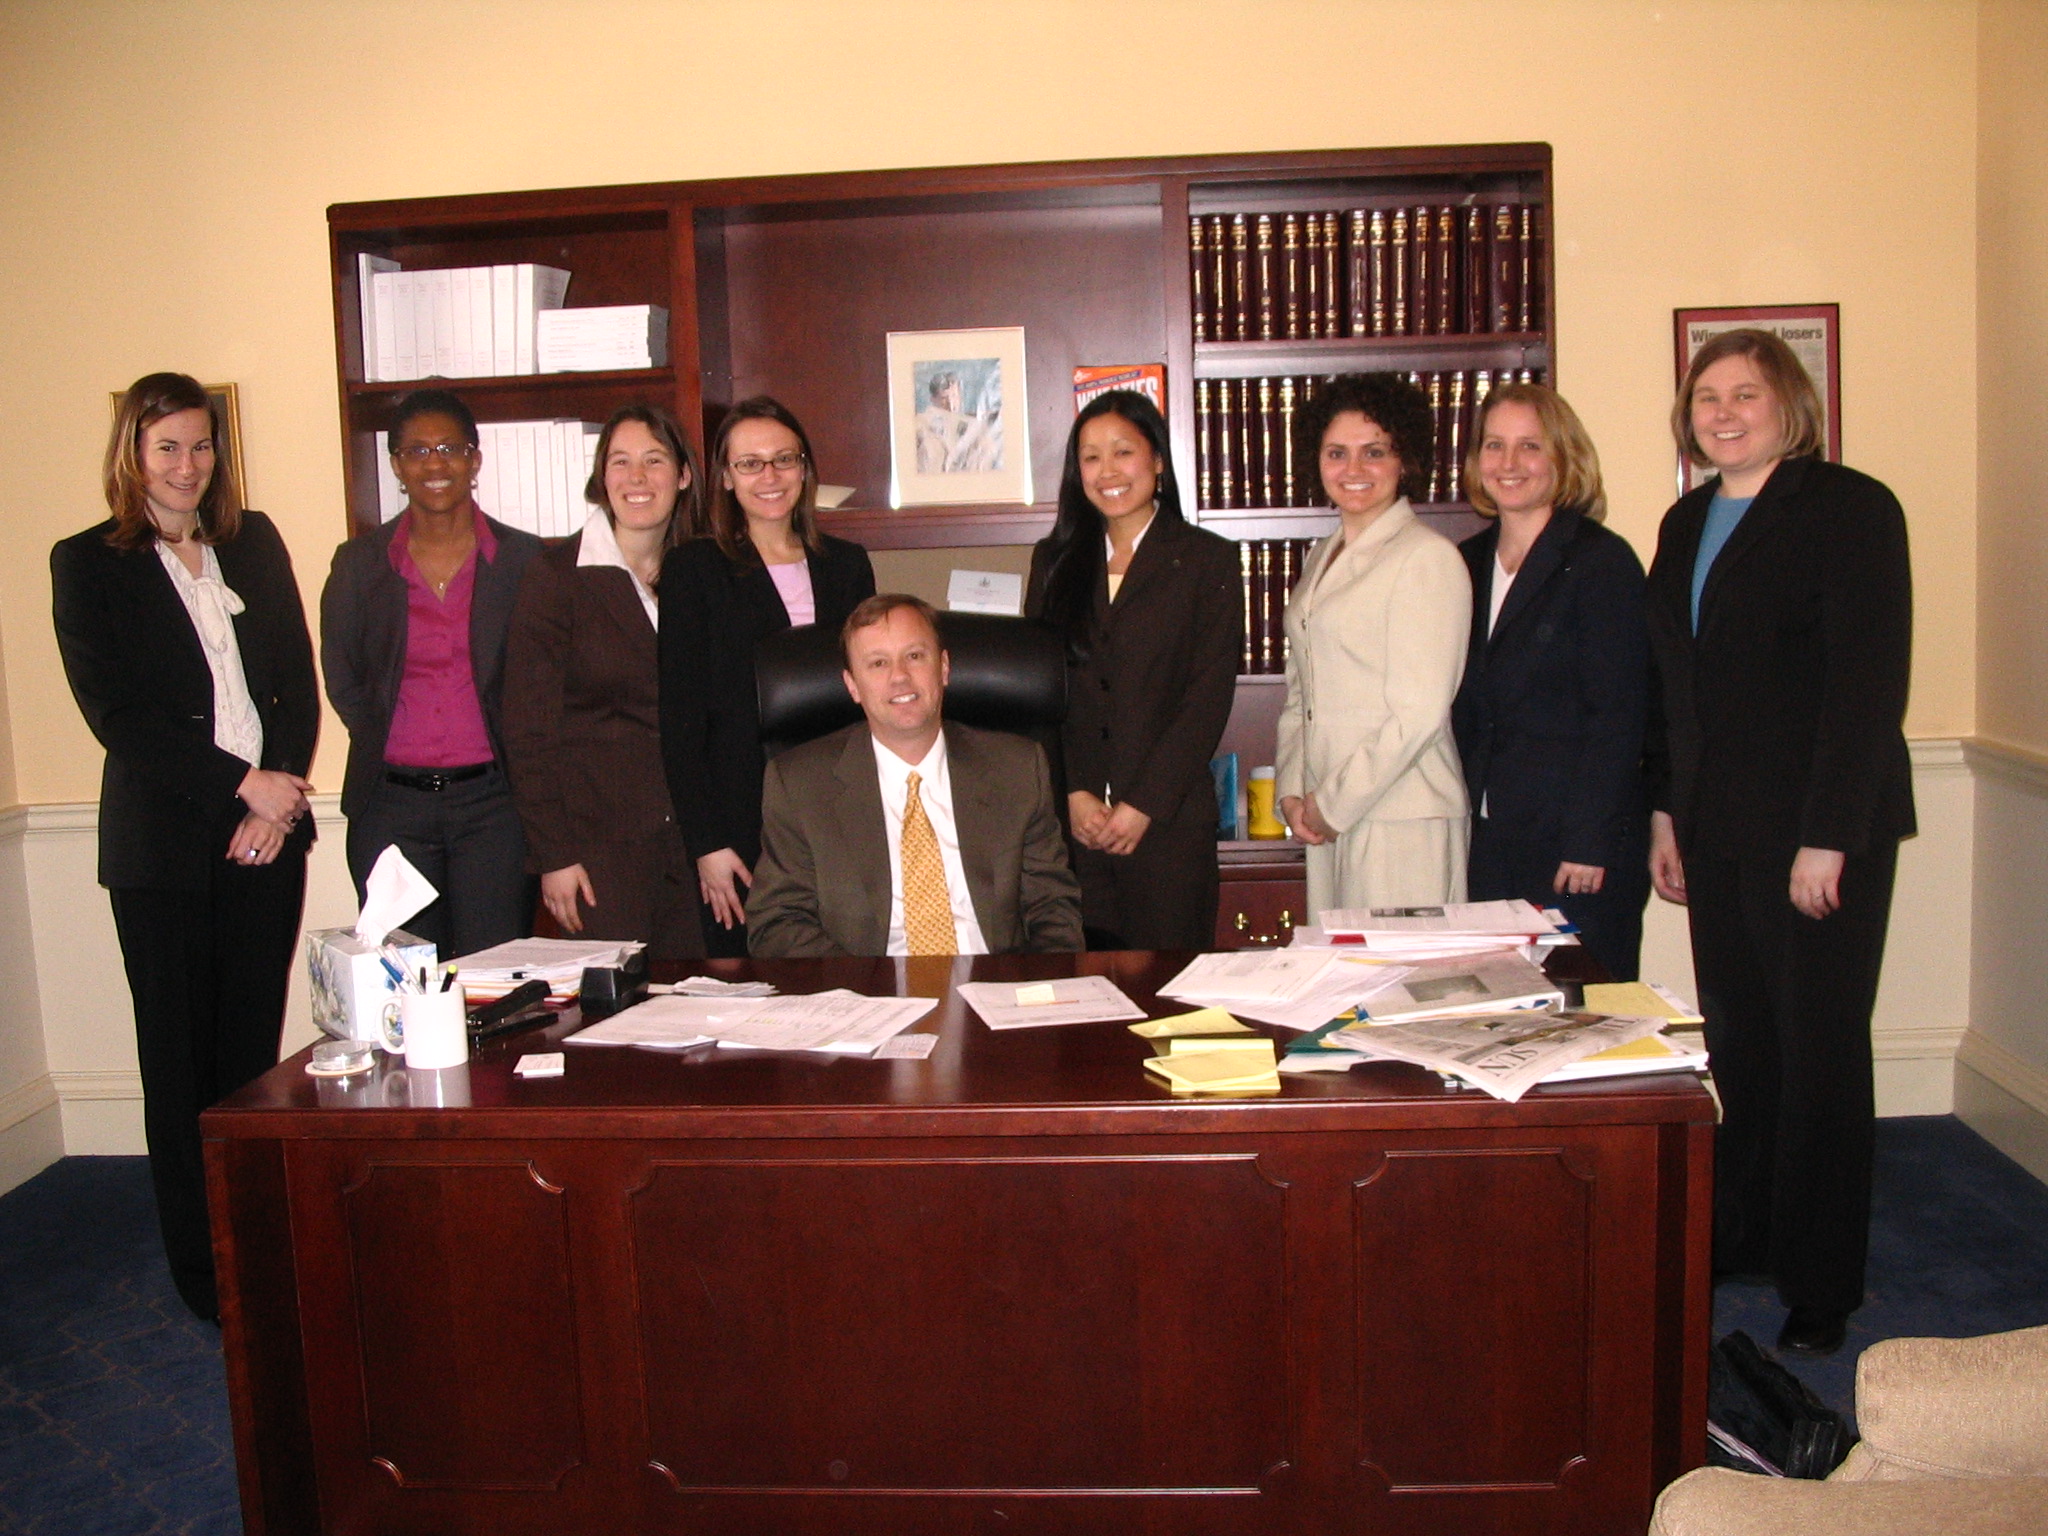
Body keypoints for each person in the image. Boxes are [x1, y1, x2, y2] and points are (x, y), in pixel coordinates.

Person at [1645, 328, 1914, 1357]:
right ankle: (1747, 1232)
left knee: (1818, 1055)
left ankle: (1820, 1280)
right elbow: (1676, 689)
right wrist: (1666, 814)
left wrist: (1825, 837)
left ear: (1788, 404)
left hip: (1815, 836)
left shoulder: (1848, 509)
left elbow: (1863, 686)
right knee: (1742, 1047)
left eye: (1744, 394)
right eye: (1705, 396)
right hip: (1715, 834)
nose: (1721, 412)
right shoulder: (1683, 520)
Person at [51, 372, 318, 1321]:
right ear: (131, 454)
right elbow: (118, 716)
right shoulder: (86, 563)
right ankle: (203, 1275)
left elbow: (292, 676)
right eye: (166, 446)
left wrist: (276, 799)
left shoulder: (253, 541)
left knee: (248, 1060)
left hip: (266, 838)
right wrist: (237, 784)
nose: (187, 465)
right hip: (164, 852)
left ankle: (255, 1240)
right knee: (179, 1061)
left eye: (201, 445)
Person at [321, 388, 542, 959]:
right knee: (409, 984)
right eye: (416, 451)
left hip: (494, 808)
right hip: (391, 809)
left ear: (474, 458)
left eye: (449, 448)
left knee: (492, 980)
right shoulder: (359, 565)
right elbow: (342, 675)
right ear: (396, 465)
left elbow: (544, 680)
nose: (434, 463)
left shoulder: (526, 562)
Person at [747, 594, 1083, 957]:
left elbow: (1054, 911)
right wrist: (869, 993)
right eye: (877, 663)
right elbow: (777, 923)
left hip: (996, 987)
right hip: (870, 995)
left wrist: (1033, 992)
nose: (899, 677)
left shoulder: (1016, 768)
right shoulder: (800, 784)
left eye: (914, 656)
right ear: (852, 685)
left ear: (943, 668)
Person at [659, 396, 875, 954]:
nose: (770, 476)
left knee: (850, 973)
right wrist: (706, 844)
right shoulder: (693, 570)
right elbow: (681, 722)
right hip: (740, 820)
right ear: (725, 478)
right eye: (749, 463)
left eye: (784, 459)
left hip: (841, 808)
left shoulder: (848, 565)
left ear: (805, 468)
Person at [1026, 389, 1240, 949]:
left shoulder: (1206, 560)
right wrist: (1069, 791)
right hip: (1075, 832)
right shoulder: (1055, 561)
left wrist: (1144, 804)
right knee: (1078, 1008)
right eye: (1091, 457)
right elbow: (1041, 692)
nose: (1107, 471)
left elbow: (1206, 700)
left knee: (1166, 1000)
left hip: (1167, 828)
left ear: (1159, 461)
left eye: (1123, 452)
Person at [1450, 383, 1650, 978]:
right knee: (1500, 1012)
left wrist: (1587, 840)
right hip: (1488, 840)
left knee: (1582, 1017)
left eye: (1529, 446)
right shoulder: (1464, 561)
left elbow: (1619, 712)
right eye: (1494, 445)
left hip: (1575, 848)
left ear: (1562, 457)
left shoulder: (1600, 561)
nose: (1508, 464)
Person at [502, 405, 705, 960]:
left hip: (690, 849)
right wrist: (554, 856)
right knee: (613, 1025)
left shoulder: (703, 572)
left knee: (699, 1018)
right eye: (621, 462)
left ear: (683, 475)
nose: (637, 478)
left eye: (654, 460)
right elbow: (526, 730)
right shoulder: (556, 578)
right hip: (596, 854)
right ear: (602, 477)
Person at [1276, 374, 1471, 918]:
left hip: (1402, 818)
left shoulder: (1426, 558)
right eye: (1337, 453)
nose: (1353, 470)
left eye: (1374, 452)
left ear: (1404, 460)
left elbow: (1419, 712)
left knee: (1396, 992)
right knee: (1341, 986)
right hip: (1327, 813)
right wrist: (1293, 791)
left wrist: (1332, 805)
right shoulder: (1322, 556)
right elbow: (1301, 694)